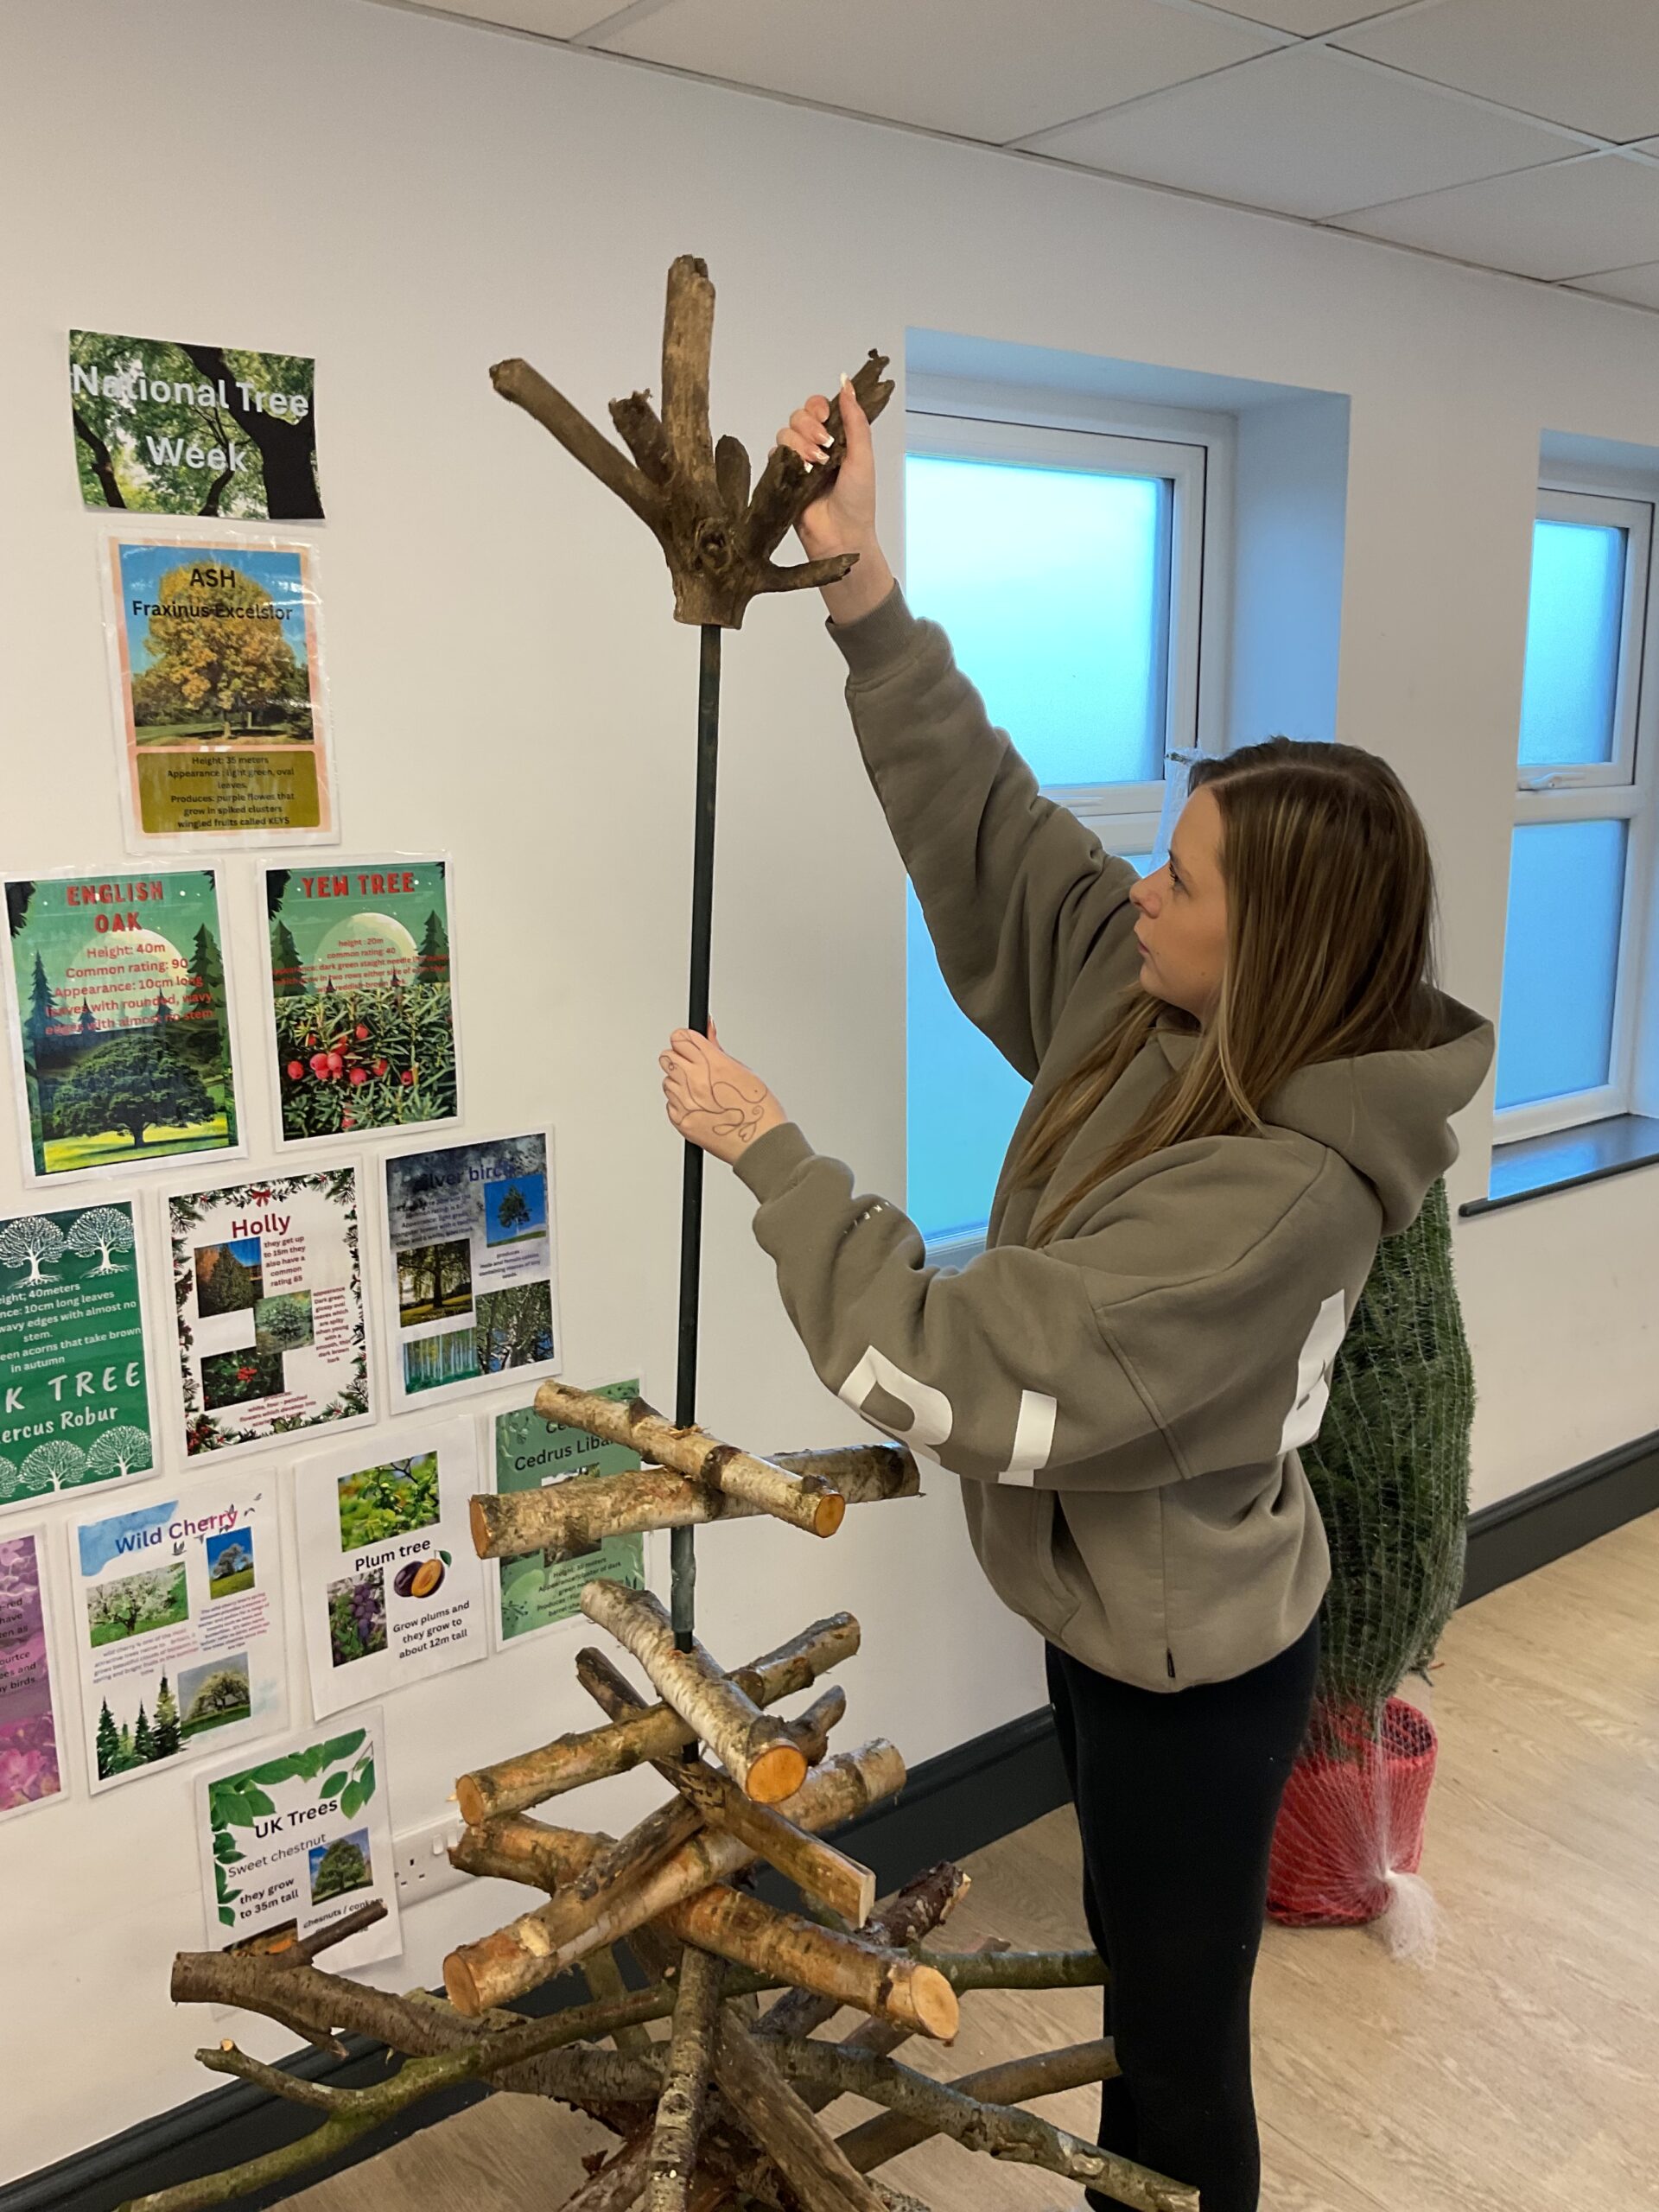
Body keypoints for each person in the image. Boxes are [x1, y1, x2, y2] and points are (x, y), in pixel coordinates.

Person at [658, 378, 1494, 2212]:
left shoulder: (1271, 1204)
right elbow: (995, 829)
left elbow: (954, 1360)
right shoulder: (1164, 1012)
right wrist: (859, 578)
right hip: (1113, 1617)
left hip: (1197, 1671)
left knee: (1174, 2047)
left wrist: (775, 1157)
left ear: (1262, 943)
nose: (1139, 884)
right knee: (1144, 1972)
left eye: (1182, 878)